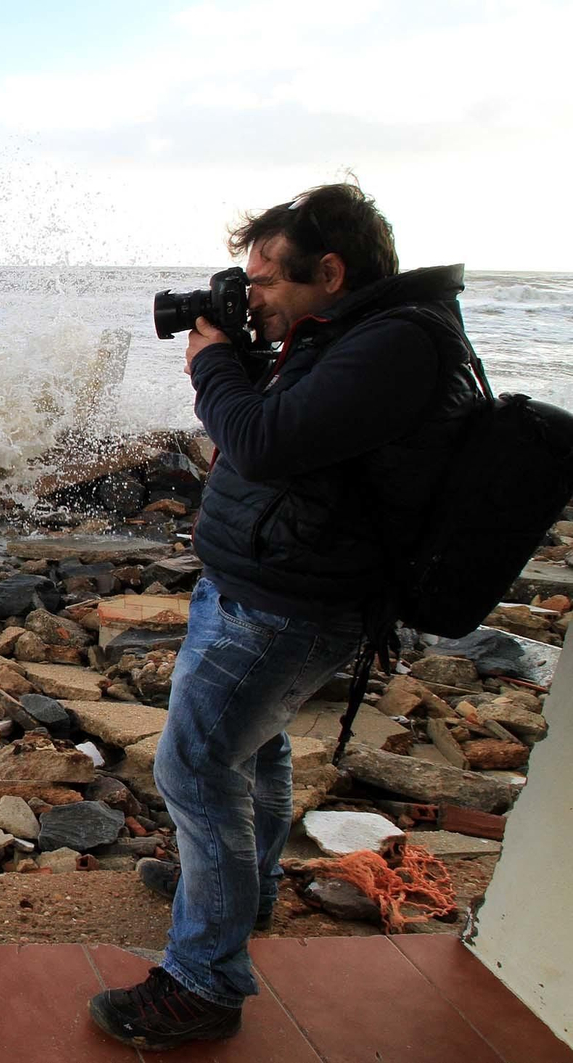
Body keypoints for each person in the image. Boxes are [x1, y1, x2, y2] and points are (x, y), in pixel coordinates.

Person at [88, 182, 482, 1051]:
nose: (250, 291)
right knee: (252, 747)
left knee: (195, 772)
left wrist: (212, 363)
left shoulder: (394, 347)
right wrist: (255, 352)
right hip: (269, 586)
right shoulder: (350, 334)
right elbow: (289, 435)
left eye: (265, 276)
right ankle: (246, 889)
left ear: (330, 271)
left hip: (283, 604)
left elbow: (262, 442)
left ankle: (202, 982)